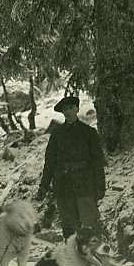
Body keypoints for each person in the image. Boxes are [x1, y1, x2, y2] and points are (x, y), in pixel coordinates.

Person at [36, 95, 106, 241]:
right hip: (64, 186)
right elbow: (50, 162)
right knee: (68, 227)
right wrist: (44, 185)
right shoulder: (56, 135)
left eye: (70, 108)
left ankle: (95, 259)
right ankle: (73, 258)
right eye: (64, 109)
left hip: (85, 185)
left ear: (77, 109)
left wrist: (100, 186)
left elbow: (98, 163)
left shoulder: (89, 133)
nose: (67, 111)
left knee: (90, 224)